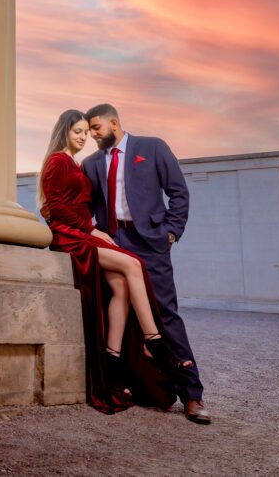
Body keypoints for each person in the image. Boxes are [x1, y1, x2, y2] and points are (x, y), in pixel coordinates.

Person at [39, 109, 177, 414]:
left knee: (122, 287)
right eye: (77, 131)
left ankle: (112, 363)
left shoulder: (76, 163)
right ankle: (154, 340)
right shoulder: (57, 161)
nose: (83, 137)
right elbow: (56, 207)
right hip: (69, 236)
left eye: (86, 133)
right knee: (132, 264)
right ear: (63, 131)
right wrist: (93, 230)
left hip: (81, 232)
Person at [81, 103, 211, 424]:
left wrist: (170, 232)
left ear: (114, 123)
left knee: (164, 313)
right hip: (113, 242)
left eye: (96, 128)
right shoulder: (91, 163)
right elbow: (86, 205)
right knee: (117, 312)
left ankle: (192, 395)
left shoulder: (152, 147)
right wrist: (97, 233)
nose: (92, 135)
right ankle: (132, 386)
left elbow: (178, 192)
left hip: (150, 242)